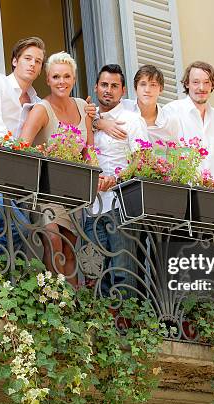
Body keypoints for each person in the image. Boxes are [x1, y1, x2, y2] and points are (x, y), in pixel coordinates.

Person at [19, 52, 93, 285]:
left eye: (67, 76)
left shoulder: (83, 107)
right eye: (56, 76)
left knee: (70, 248)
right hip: (46, 188)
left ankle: (70, 307)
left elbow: (88, 149)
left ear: (73, 79)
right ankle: (54, 298)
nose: (62, 81)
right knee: (54, 240)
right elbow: (22, 146)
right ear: (48, 80)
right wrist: (44, 154)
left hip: (73, 189)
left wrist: (95, 174)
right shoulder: (41, 109)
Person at [0, 37, 46, 253]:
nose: (32, 64)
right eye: (27, 58)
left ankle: (5, 281)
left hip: (17, 181)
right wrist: (16, 150)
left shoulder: (37, 102)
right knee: (18, 228)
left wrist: (97, 119)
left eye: (38, 61)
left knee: (21, 243)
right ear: (15, 61)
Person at [85, 64, 148, 296]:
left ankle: (126, 324)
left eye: (114, 86)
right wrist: (96, 122)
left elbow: (142, 160)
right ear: (96, 87)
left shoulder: (132, 120)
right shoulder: (89, 119)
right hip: (92, 208)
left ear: (122, 91)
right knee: (93, 272)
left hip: (120, 207)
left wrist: (116, 178)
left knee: (123, 271)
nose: (108, 90)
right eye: (104, 85)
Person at [163, 61, 214, 210]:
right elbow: (163, 153)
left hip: (210, 203)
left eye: (206, 83)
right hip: (182, 203)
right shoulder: (173, 111)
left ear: (212, 85)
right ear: (187, 84)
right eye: (196, 82)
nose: (201, 88)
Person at [92, 65, 181, 145]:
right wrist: (101, 123)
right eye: (143, 84)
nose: (147, 90)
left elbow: (174, 152)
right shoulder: (123, 106)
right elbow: (94, 114)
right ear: (135, 88)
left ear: (161, 89)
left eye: (153, 85)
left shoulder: (170, 121)